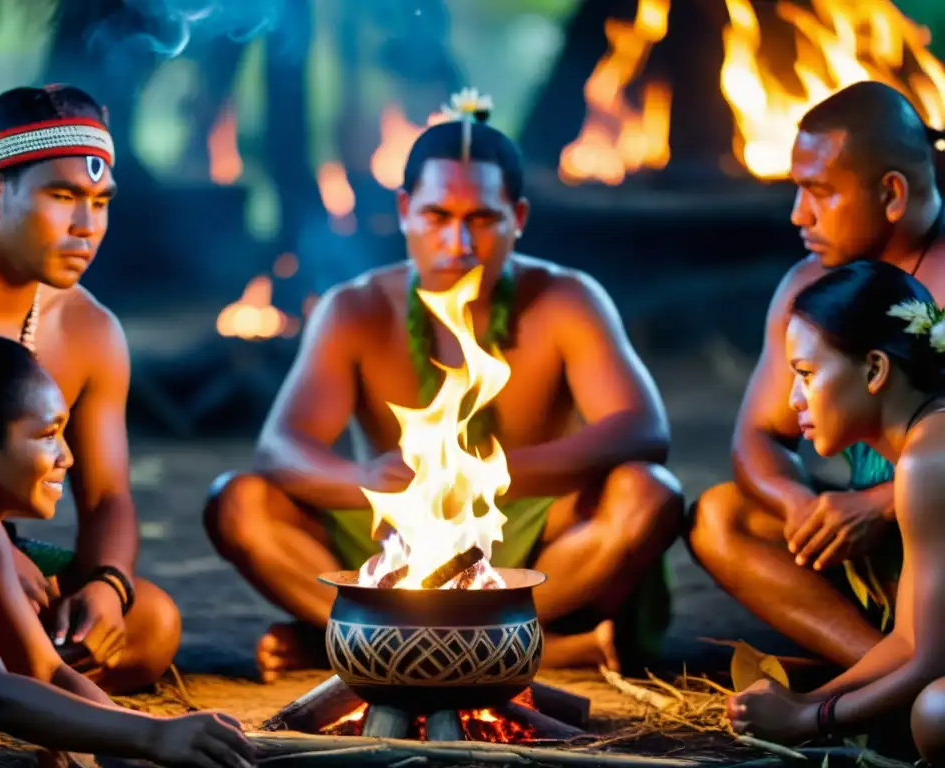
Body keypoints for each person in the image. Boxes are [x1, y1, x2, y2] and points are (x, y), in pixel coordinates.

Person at [204, 89, 683, 681]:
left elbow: (642, 429)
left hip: (526, 536)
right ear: (405, 210)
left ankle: (382, 649)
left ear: (519, 219)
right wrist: (366, 480)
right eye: (437, 217)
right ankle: (486, 649)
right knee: (240, 501)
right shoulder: (354, 307)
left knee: (648, 494)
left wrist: (493, 474)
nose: (458, 243)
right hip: (392, 532)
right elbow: (279, 450)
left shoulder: (567, 299)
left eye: (482, 219)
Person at [0, 85, 181, 693]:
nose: (86, 226)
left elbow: (109, 495)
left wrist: (108, 586)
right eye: (62, 196)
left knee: (151, 626)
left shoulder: (90, 329)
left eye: (99, 201)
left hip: (4, 568)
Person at [688, 81, 945, 671]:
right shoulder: (809, 286)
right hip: (870, 542)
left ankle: (901, 678)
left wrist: (882, 506)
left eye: (818, 191)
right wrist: (802, 506)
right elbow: (758, 435)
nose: (797, 213)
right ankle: (883, 672)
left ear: (892, 192)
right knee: (722, 516)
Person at [0, 335, 255, 768]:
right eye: (48, 435)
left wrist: (124, 739)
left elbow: (45, 670)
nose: (68, 457)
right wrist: (153, 735)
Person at [726, 261, 945, 761]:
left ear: (874, 370)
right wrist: (806, 702)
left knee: (936, 712)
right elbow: (910, 640)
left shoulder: (930, 459)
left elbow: (931, 660)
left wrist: (807, 720)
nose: (792, 398)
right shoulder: (925, 443)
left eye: (805, 374)